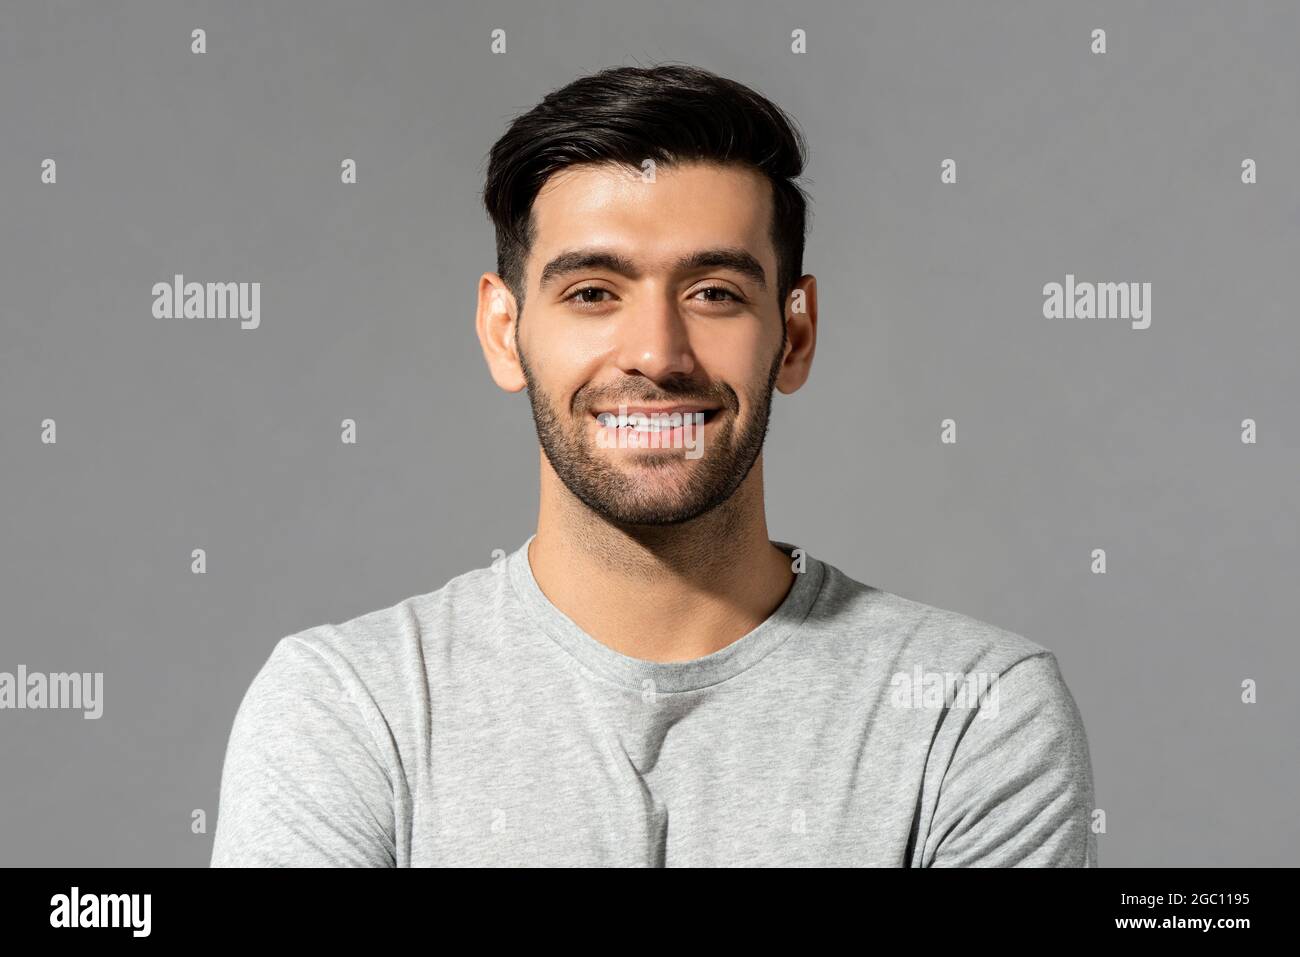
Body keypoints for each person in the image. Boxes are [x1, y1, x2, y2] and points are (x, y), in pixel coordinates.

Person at [210, 63, 1097, 867]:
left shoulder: (971, 712)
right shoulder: (348, 708)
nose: (657, 352)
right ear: (503, 331)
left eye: (714, 292)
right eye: (593, 292)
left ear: (795, 333)